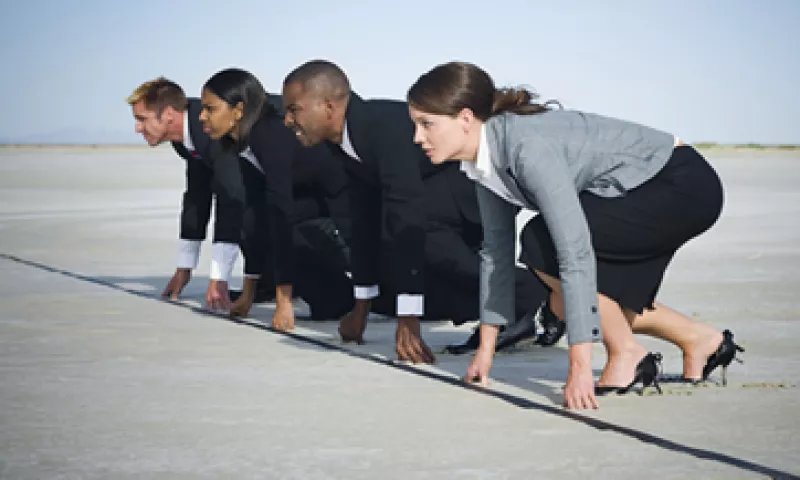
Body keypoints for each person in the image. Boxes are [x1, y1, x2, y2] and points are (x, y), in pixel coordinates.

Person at [406, 61, 744, 409]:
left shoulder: (525, 147)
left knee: (543, 241)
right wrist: (485, 352)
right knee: (561, 303)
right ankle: (700, 340)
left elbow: (574, 250)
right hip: (646, 186)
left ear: (465, 118)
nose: (418, 137)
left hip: (678, 183)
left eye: (427, 124)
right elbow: (496, 253)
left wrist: (580, 364)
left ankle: (626, 354)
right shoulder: (484, 160)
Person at [281, 60, 555, 363]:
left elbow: (406, 216)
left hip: (471, 188)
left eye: (294, 109)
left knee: (412, 236)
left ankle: (532, 297)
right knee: (392, 255)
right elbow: (363, 224)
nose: (287, 120)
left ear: (328, 107)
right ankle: (509, 309)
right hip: (442, 192)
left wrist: (408, 318)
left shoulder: (378, 128)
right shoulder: (343, 142)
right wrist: (361, 308)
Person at [199, 67, 355, 328]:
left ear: (238, 110)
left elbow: (281, 212)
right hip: (314, 205)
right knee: (257, 222)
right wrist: (247, 295)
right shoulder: (242, 144)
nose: (202, 117)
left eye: (211, 109)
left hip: (343, 208)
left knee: (282, 228)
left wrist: (284, 303)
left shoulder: (269, 135)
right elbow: (253, 219)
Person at [127, 78, 248, 312]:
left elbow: (231, 196)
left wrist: (219, 278)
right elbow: (197, 196)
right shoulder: (186, 138)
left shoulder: (209, 128)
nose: (138, 128)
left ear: (169, 114)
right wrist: (185, 266)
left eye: (142, 119)